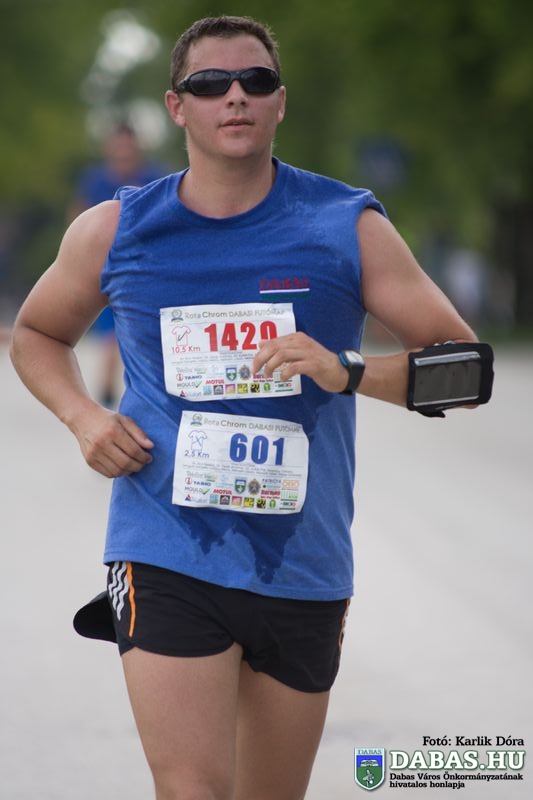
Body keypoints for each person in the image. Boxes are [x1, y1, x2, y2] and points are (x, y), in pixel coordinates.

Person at [10, 15, 479, 800]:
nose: (235, 97)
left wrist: (346, 370)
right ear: (176, 106)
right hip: (163, 547)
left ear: (279, 102)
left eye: (254, 81)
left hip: (301, 560)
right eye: (210, 84)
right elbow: (36, 334)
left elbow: (465, 372)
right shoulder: (116, 231)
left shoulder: (345, 226)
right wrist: (85, 419)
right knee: (190, 788)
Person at [71, 124, 167, 407]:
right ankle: (107, 391)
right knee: (111, 334)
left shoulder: (154, 178)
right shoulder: (95, 180)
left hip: (144, 269)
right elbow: (78, 217)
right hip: (105, 269)